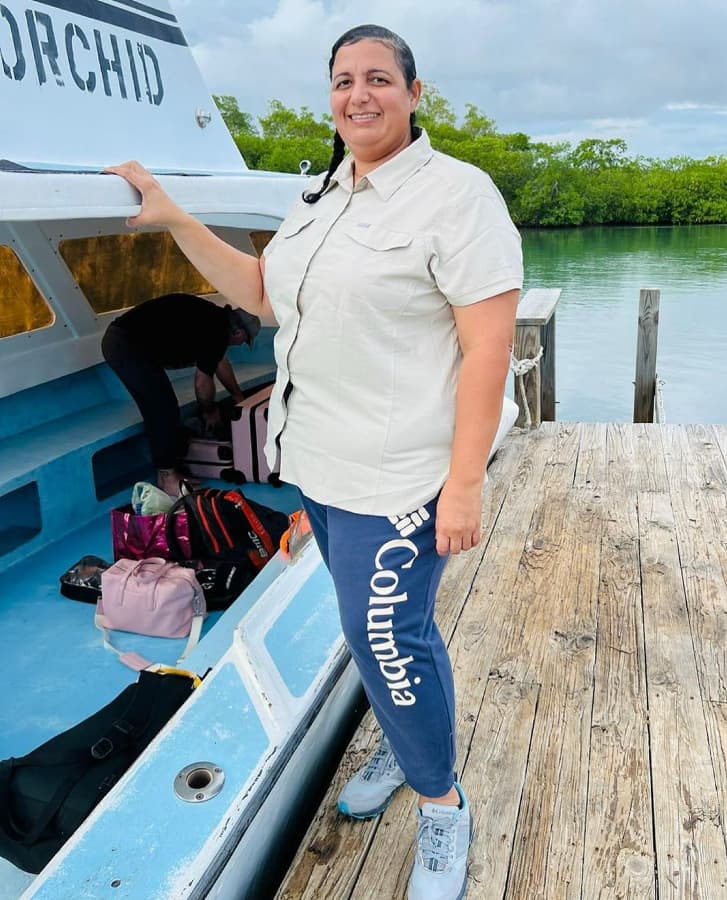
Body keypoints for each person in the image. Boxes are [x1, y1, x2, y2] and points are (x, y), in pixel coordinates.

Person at [106, 23, 522, 900]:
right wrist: (177, 217)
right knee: (380, 634)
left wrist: (466, 480)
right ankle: (409, 754)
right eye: (343, 80)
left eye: (378, 78)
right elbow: (259, 293)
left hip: (405, 476)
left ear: (414, 93)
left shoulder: (458, 196)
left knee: (388, 638)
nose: (358, 95)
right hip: (325, 468)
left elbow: (487, 349)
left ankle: (442, 805)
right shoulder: (317, 197)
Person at [101, 293, 260, 497]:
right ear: (238, 332)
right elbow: (202, 383)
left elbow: (219, 363)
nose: (239, 345)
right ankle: (167, 478)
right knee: (162, 409)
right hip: (125, 345)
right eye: (244, 341)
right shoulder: (217, 329)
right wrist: (209, 410)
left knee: (162, 405)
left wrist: (238, 397)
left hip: (126, 341)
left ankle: (169, 472)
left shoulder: (215, 320)